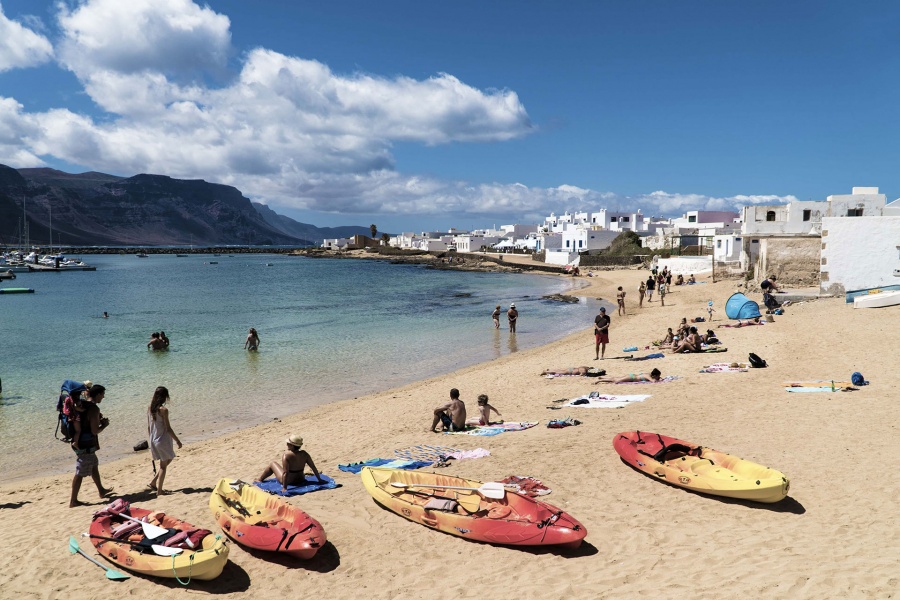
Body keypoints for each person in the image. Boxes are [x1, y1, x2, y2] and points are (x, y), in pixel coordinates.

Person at [70, 384, 112, 507]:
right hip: (85, 444)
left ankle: (101, 490)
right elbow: (94, 431)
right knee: (80, 471)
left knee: (93, 464)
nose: (103, 397)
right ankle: (73, 500)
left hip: (78, 441)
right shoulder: (93, 409)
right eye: (103, 395)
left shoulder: (83, 404)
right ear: (98, 394)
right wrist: (104, 425)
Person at [257, 434, 324, 493]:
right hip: (301, 479)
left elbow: (285, 473)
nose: (287, 445)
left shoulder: (286, 455)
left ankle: (260, 479)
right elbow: (313, 467)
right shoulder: (304, 454)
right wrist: (319, 479)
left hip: (289, 481)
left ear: (292, 445)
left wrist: (284, 488)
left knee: (272, 464)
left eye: (288, 444)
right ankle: (260, 479)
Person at [147, 386, 182, 496]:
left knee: (169, 458)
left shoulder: (150, 408)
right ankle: (160, 491)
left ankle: (153, 482)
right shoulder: (163, 410)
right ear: (165, 397)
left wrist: (150, 439)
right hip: (162, 439)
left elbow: (149, 427)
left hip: (153, 439)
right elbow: (168, 428)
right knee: (163, 466)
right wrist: (177, 440)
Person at [594, 368, 662, 384]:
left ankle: (602, 377)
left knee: (616, 378)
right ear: (655, 375)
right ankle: (600, 380)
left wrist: (659, 378)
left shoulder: (649, 374)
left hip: (632, 376)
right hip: (632, 377)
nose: (658, 377)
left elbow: (654, 379)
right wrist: (659, 380)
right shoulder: (648, 376)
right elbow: (653, 381)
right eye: (658, 376)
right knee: (616, 380)